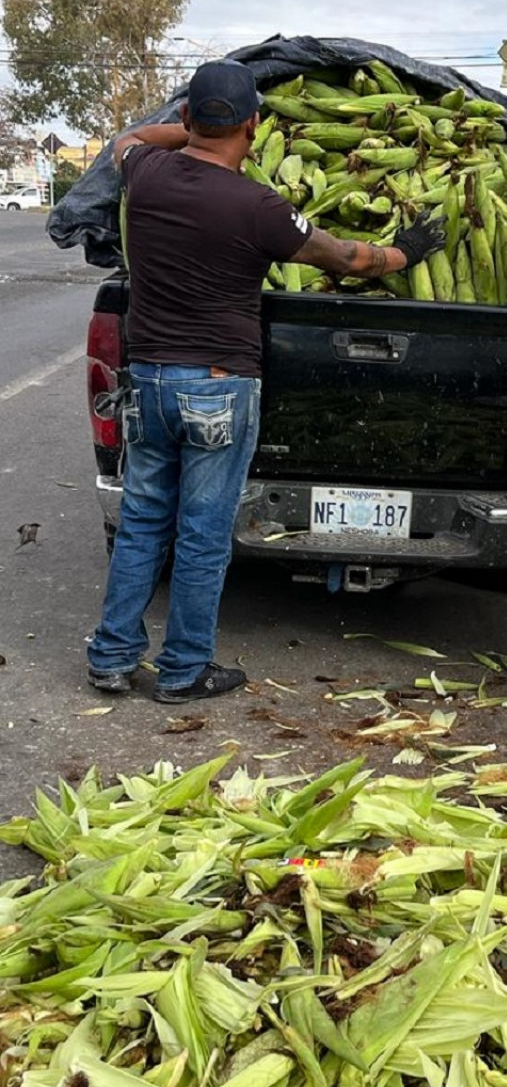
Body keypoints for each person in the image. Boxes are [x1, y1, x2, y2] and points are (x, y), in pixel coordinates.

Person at [87, 60, 444, 704]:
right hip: (219, 388)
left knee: (143, 522)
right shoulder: (260, 208)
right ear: (252, 125)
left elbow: (129, 140)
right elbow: (347, 258)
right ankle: (183, 671)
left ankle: (111, 659)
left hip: (150, 381)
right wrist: (407, 251)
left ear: (188, 118)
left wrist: (190, 135)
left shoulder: (146, 172)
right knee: (200, 534)